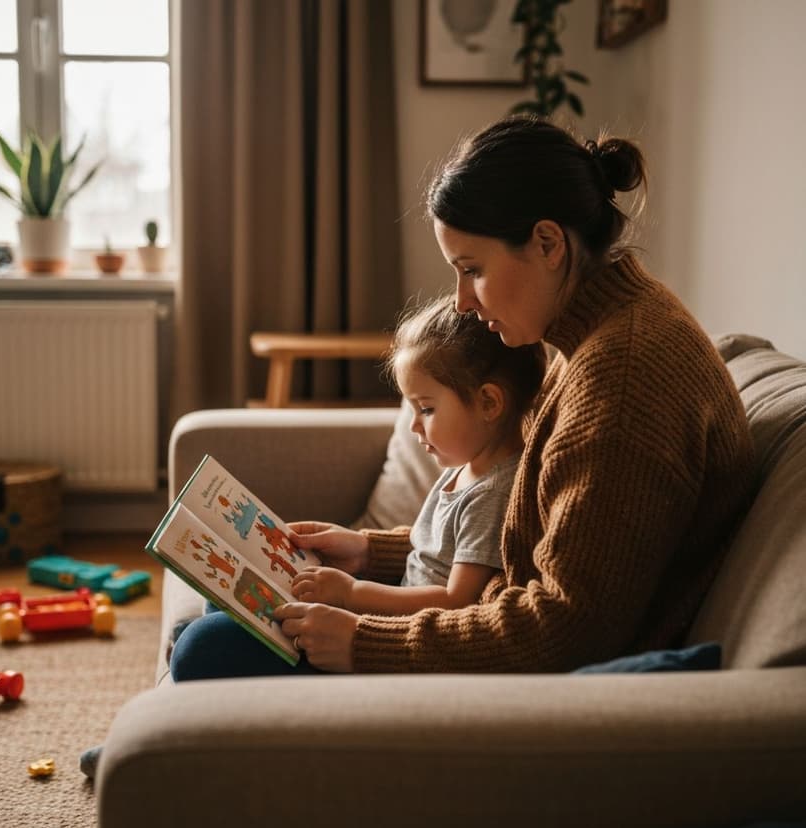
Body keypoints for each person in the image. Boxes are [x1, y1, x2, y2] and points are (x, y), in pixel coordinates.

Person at [172, 114, 754, 678]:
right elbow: (509, 545)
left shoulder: (623, 382)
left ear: (548, 242)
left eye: (471, 269)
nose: (461, 302)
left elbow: (564, 628)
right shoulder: (596, 337)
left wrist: (363, 641)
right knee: (223, 603)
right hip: (486, 629)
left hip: (517, 684)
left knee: (209, 646)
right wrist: (369, 553)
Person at [290, 294, 545, 616]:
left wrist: (351, 593)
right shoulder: (465, 468)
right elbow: (432, 551)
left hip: (399, 636)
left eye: (426, 408)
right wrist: (362, 549)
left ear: (489, 403)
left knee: (216, 635)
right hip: (389, 611)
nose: (414, 426)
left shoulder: (493, 494)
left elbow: (458, 600)